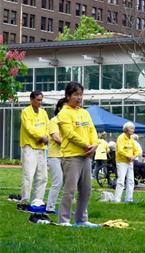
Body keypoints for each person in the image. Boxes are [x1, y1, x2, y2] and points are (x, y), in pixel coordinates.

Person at [57, 82, 98, 227]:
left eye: (80, 94)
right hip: (71, 156)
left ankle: (82, 219)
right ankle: (64, 220)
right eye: (75, 94)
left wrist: (94, 144)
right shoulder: (63, 113)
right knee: (70, 190)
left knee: (86, 190)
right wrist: (87, 145)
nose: (79, 97)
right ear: (68, 96)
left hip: (86, 156)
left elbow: (92, 130)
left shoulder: (84, 112)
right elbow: (69, 134)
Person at [20, 90, 49, 204]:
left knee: (42, 176)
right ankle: (25, 199)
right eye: (38, 100)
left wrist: (45, 137)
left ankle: (38, 200)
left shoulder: (43, 112)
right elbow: (28, 128)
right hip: (29, 147)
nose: (40, 102)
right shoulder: (25, 111)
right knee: (29, 175)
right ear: (31, 100)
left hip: (41, 148)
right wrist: (41, 137)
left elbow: (47, 126)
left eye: (41, 100)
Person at [46, 98, 66, 213]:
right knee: (57, 182)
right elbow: (56, 138)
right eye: (64, 107)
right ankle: (50, 207)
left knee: (66, 184)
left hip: (65, 155)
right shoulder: (54, 121)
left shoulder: (67, 122)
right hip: (54, 156)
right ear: (59, 108)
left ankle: (63, 208)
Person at [114, 122, 140, 203]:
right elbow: (120, 150)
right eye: (131, 128)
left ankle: (129, 198)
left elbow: (137, 150)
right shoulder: (121, 138)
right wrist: (128, 156)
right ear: (126, 129)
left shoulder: (131, 139)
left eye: (133, 128)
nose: (133, 130)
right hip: (122, 161)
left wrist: (134, 156)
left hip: (130, 162)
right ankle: (117, 199)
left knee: (131, 181)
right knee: (121, 181)